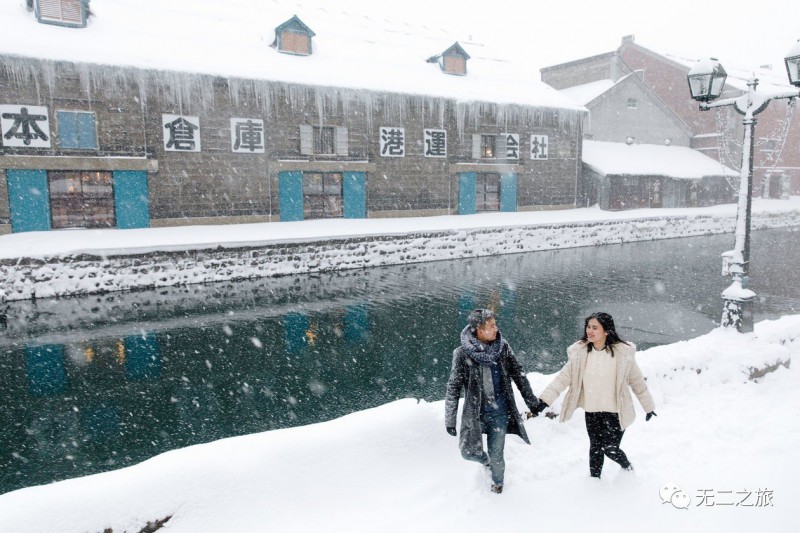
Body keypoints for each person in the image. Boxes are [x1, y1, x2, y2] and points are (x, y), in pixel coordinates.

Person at [533, 312, 656, 479]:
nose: (589, 331)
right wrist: (544, 401)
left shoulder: (623, 355)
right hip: (592, 412)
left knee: (610, 449)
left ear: (606, 331)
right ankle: (594, 482)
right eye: (588, 327)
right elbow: (561, 379)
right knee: (596, 448)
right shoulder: (580, 354)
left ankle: (627, 468)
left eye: (595, 328)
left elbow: (638, 383)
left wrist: (649, 408)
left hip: (616, 412)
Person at [445, 308, 543, 494]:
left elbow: (519, 375)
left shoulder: (502, 348)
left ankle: (497, 486)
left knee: (497, 455)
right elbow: (453, 387)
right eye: (491, 326)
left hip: (499, 414)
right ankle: (485, 461)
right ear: (479, 331)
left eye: (495, 324)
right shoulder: (462, 354)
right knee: (468, 453)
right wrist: (450, 419)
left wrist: (532, 402)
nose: (496, 329)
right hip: (475, 415)